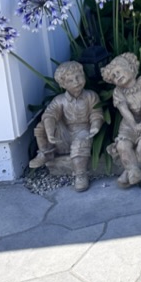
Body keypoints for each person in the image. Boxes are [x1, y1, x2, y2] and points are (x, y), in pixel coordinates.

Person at [28, 60, 103, 191]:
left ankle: (80, 174)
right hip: (65, 133)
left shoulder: (90, 96)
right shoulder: (59, 100)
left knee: (80, 143)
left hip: (83, 130)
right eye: (70, 80)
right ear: (63, 84)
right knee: (42, 126)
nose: (77, 82)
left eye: (79, 76)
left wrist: (95, 126)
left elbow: (96, 113)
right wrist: (50, 134)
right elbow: (50, 115)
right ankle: (46, 152)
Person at [101, 52, 141, 188]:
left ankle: (128, 172)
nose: (116, 76)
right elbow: (124, 110)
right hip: (128, 125)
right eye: (113, 76)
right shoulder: (118, 92)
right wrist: (134, 125)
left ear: (130, 68)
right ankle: (133, 172)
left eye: (118, 72)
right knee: (122, 146)